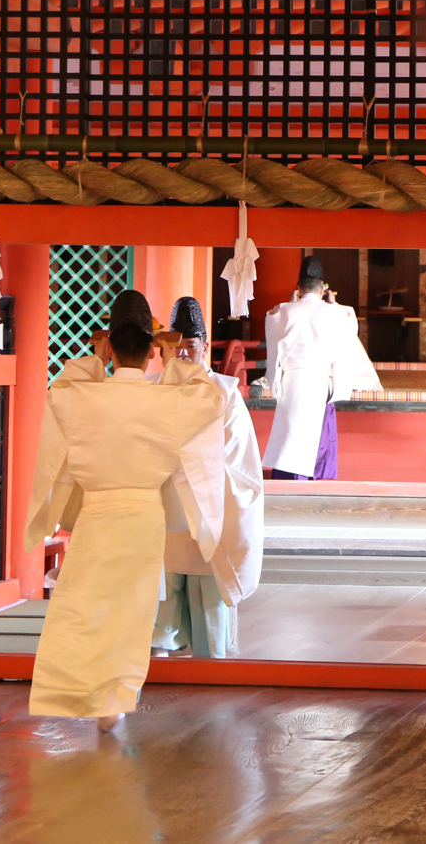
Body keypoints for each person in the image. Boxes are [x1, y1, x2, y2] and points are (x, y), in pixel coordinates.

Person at [24, 321, 225, 732]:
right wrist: (173, 362)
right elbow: (207, 395)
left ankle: (75, 694)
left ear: (110, 348)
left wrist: (97, 359)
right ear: (153, 350)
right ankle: (114, 700)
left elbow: (61, 387)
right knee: (132, 611)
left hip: (98, 515)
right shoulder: (167, 400)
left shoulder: (81, 394)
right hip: (142, 515)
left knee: (83, 606)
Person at [151, 296, 265, 658]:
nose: (182, 355)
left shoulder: (225, 394)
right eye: (175, 347)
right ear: (162, 350)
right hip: (159, 516)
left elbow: (239, 462)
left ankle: (210, 672)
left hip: (207, 517)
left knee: (209, 613)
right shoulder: (148, 391)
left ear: (204, 349)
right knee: (159, 611)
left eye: (190, 346)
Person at [262, 255, 365, 480]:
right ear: (323, 288)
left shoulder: (281, 313)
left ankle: (287, 483)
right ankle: (319, 484)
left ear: (298, 288)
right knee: (318, 439)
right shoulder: (338, 314)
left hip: (291, 383)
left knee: (289, 438)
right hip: (319, 384)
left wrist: (274, 382)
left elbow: (273, 350)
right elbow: (346, 347)